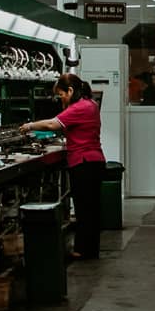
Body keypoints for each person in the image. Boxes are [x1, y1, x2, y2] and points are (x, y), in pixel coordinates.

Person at [24, 73, 105, 260]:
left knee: (84, 209)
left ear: (70, 90)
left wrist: (30, 126)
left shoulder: (79, 107)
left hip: (83, 162)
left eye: (61, 95)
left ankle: (83, 251)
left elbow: (52, 124)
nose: (61, 99)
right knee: (91, 209)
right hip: (94, 160)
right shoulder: (91, 104)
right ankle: (89, 249)